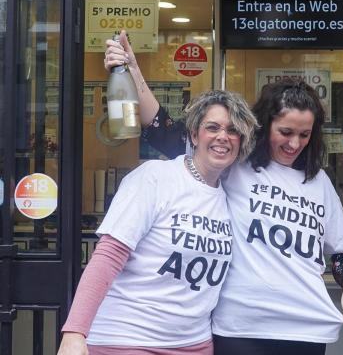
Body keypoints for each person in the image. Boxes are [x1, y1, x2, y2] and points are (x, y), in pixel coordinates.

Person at [103, 31, 343, 355]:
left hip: (306, 329)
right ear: (264, 125)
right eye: (285, 132)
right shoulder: (235, 164)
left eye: (304, 134)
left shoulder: (319, 182)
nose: (294, 143)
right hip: (238, 328)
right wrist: (131, 68)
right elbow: (161, 127)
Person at [57, 90, 258, 354]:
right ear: (194, 135)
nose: (223, 136)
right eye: (213, 127)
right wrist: (75, 332)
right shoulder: (155, 177)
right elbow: (107, 256)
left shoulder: (230, 195)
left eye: (233, 130)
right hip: (129, 339)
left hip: (194, 343)